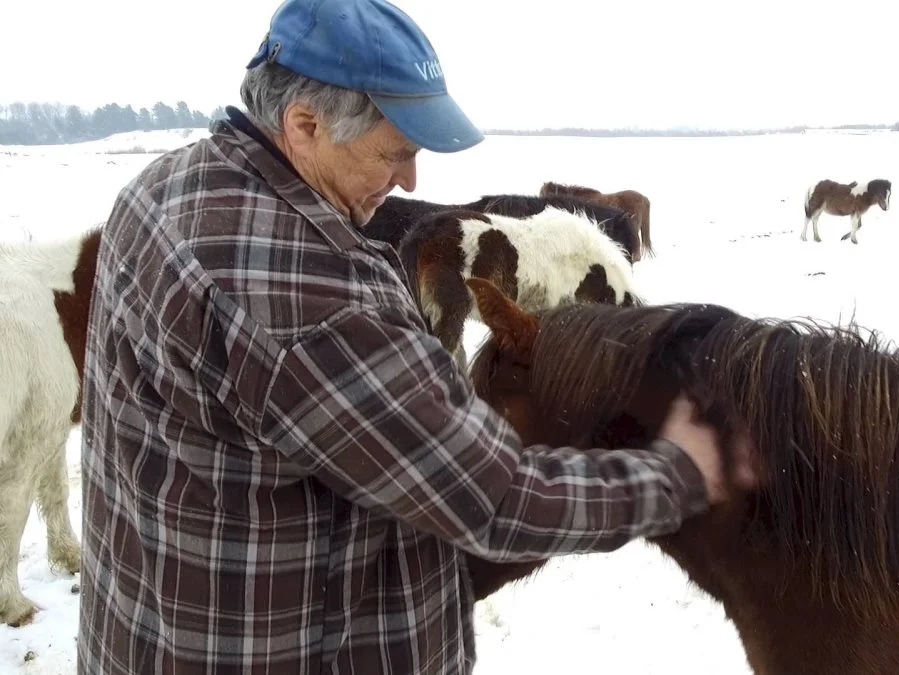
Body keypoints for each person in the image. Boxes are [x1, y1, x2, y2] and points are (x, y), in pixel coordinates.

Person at [76, 0, 755, 673]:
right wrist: (678, 475)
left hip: (153, 627)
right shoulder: (308, 303)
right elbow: (493, 496)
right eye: (394, 154)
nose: (411, 180)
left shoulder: (163, 187)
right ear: (304, 124)